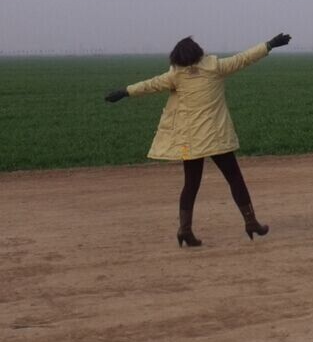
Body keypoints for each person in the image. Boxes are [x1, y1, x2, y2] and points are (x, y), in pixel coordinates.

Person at [105, 33, 291, 247]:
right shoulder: (215, 67)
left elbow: (150, 85)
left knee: (191, 185)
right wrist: (270, 45)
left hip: (190, 142)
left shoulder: (176, 75)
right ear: (198, 52)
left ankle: (184, 230)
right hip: (216, 138)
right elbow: (244, 58)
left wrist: (124, 92)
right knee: (235, 178)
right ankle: (251, 222)